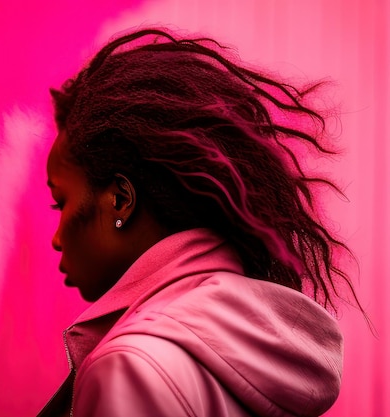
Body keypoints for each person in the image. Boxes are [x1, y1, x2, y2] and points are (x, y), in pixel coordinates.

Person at [38, 28, 360, 417]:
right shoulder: (253, 343)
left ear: (121, 200)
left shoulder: (128, 368)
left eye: (61, 203)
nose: (56, 239)